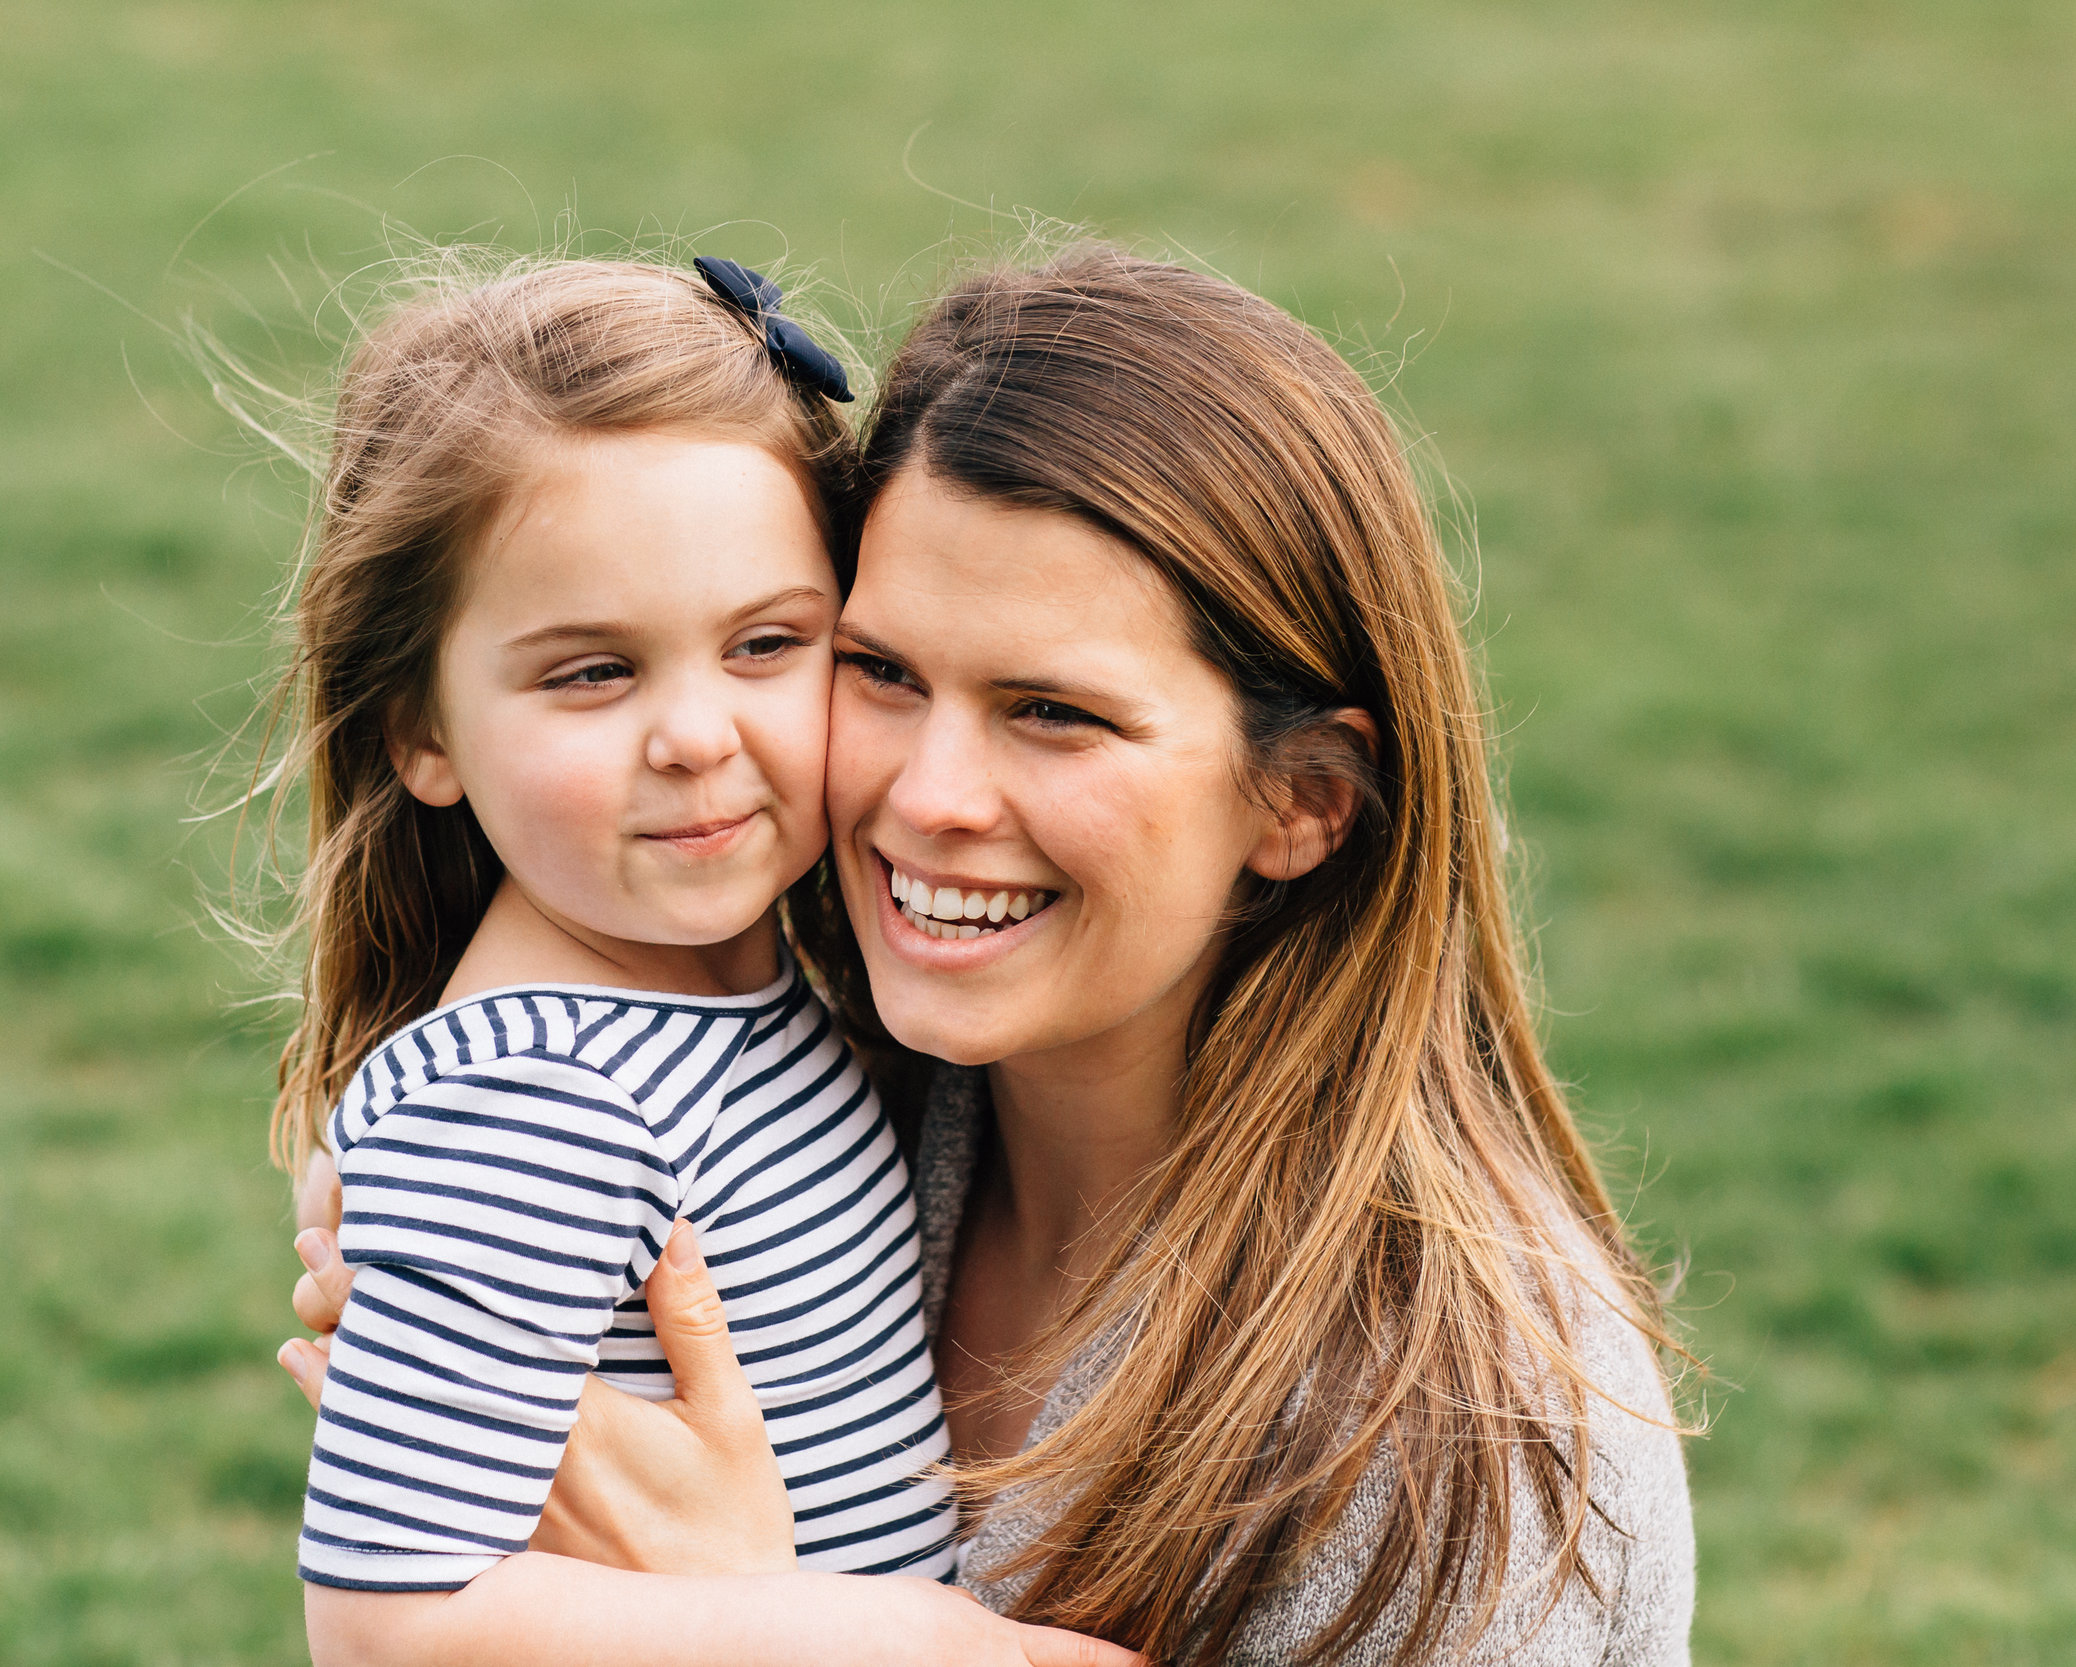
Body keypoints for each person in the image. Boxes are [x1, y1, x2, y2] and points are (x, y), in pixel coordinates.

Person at [284, 247, 1697, 1664]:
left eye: (1052, 711)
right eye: (885, 672)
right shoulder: (844, 1093)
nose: (927, 796)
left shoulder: (1449, 1443)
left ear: (1302, 801)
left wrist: (778, 1620)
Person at [261, 256, 1137, 1667]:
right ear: (420, 730)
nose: (693, 735)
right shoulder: (532, 1098)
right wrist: (908, 1647)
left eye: (767, 645)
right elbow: (387, 1619)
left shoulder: (748, 996)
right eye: (593, 671)